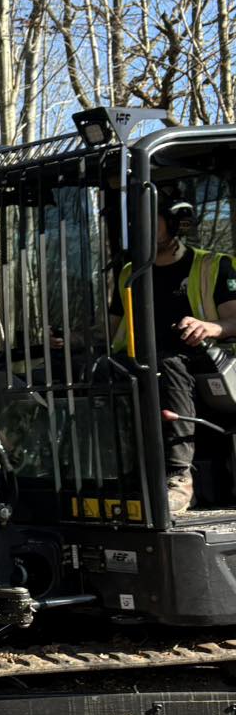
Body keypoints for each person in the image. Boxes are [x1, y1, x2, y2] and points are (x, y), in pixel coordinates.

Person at [109, 195, 236, 514]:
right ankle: (118, 476)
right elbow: (110, 329)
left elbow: (233, 320)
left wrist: (209, 327)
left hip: (207, 364)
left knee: (167, 363)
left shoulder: (212, 265)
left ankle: (179, 477)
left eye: (151, 222)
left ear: (178, 224)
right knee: (102, 369)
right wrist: (65, 338)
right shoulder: (129, 273)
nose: (141, 230)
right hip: (143, 363)